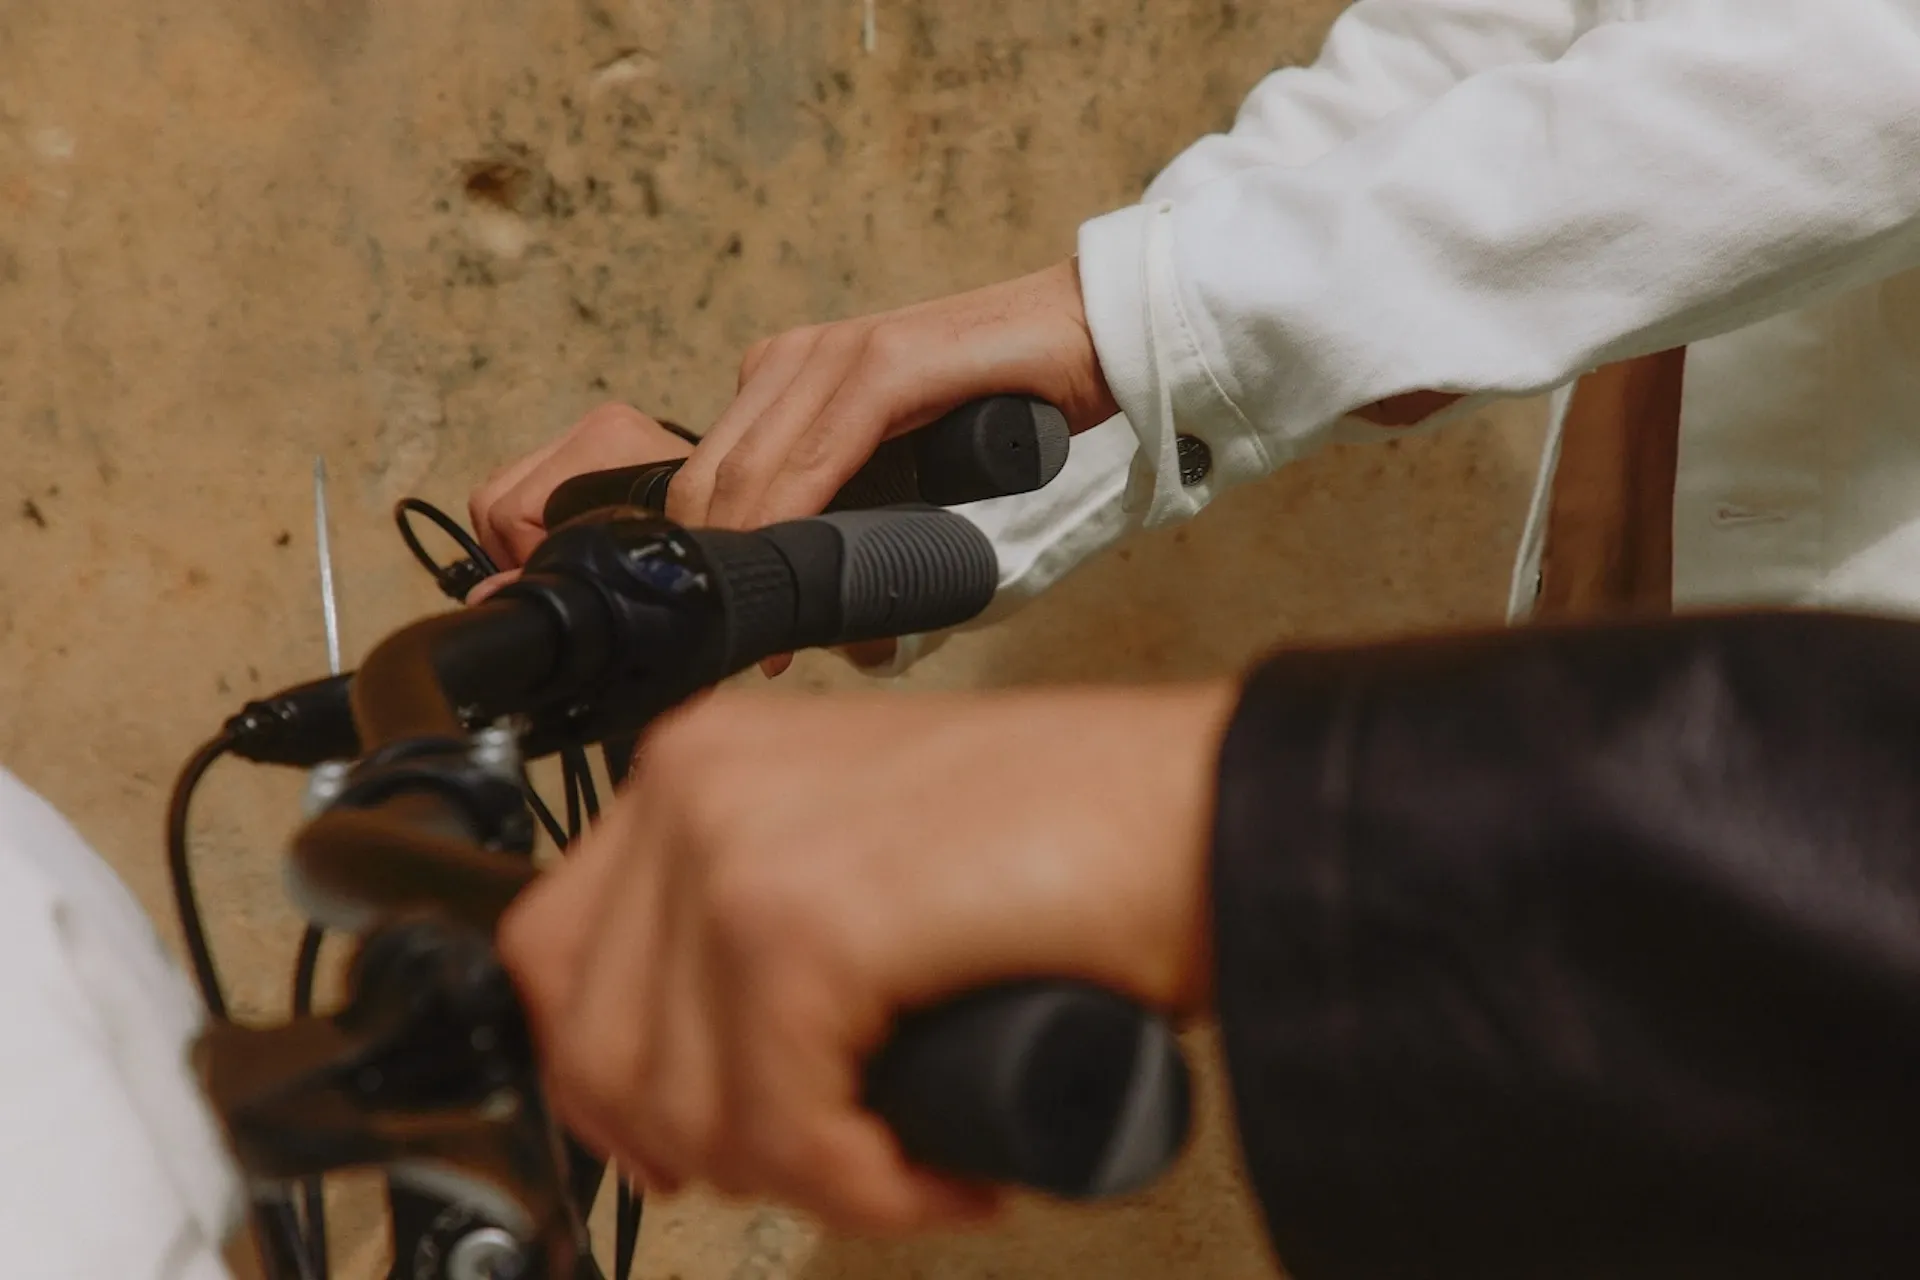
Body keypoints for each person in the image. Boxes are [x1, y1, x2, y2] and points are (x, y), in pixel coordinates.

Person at [467, 0, 1920, 1273]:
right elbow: (1456, 63)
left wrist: (1143, 316)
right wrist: (822, 500)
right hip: (1653, 725)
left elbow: (1868, 59)